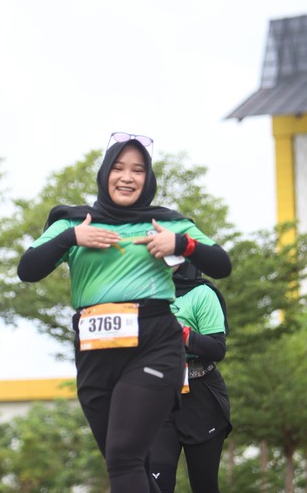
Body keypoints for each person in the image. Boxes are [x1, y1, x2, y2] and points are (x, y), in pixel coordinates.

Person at [17, 132, 231, 493]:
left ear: (148, 179)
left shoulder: (166, 223)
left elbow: (221, 264)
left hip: (153, 346)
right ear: (105, 173)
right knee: (131, 466)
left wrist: (182, 243)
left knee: (123, 458)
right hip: (94, 352)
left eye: (137, 170)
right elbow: (28, 269)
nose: (127, 177)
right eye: (118, 168)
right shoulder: (74, 223)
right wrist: (71, 239)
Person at [150, 261, 232, 493]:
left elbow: (217, 349)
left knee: (204, 486)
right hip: (159, 394)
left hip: (201, 396)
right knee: (156, 484)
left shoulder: (202, 294)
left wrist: (181, 332)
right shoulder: (146, 293)